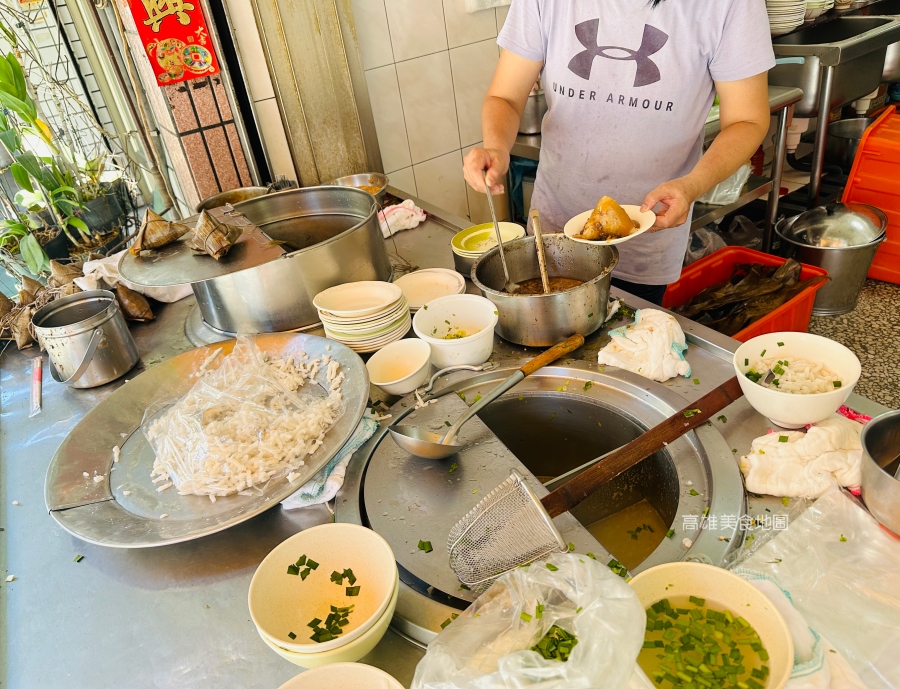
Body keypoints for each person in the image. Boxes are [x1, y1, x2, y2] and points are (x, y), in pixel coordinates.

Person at [463, 0, 775, 305]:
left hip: (646, 234)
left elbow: (747, 120)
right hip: (555, 230)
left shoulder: (730, 5)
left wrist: (693, 185)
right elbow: (505, 96)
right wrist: (495, 146)